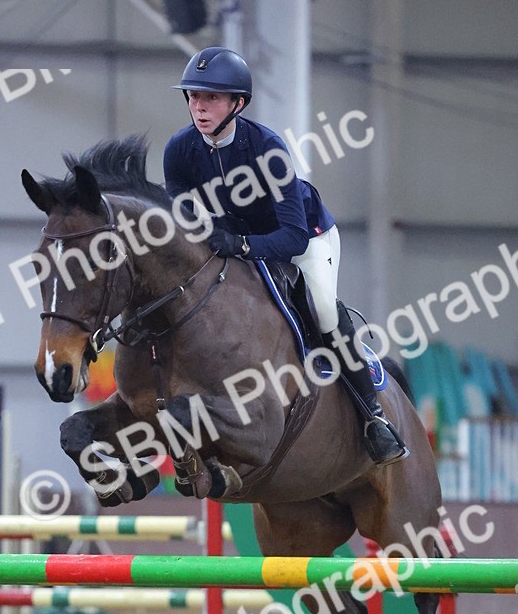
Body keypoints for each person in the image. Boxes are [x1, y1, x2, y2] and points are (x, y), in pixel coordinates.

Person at [163, 45, 407, 466]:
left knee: (323, 309)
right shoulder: (179, 151)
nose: (199, 107)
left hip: (305, 238)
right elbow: (183, 220)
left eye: (211, 98)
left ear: (238, 104)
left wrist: (241, 246)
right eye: (194, 96)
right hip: (236, 241)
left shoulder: (267, 150)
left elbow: (293, 237)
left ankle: (374, 417)